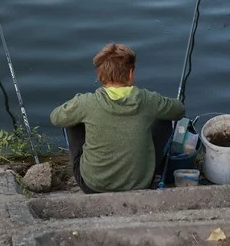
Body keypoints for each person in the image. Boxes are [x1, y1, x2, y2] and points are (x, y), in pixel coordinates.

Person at [49, 43, 185, 193]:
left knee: (72, 121)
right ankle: (151, 168)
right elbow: (179, 111)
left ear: (100, 76)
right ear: (130, 74)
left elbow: (56, 118)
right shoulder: (148, 100)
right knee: (164, 118)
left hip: (92, 186)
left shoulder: (86, 102)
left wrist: (76, 104)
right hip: (140, 184)